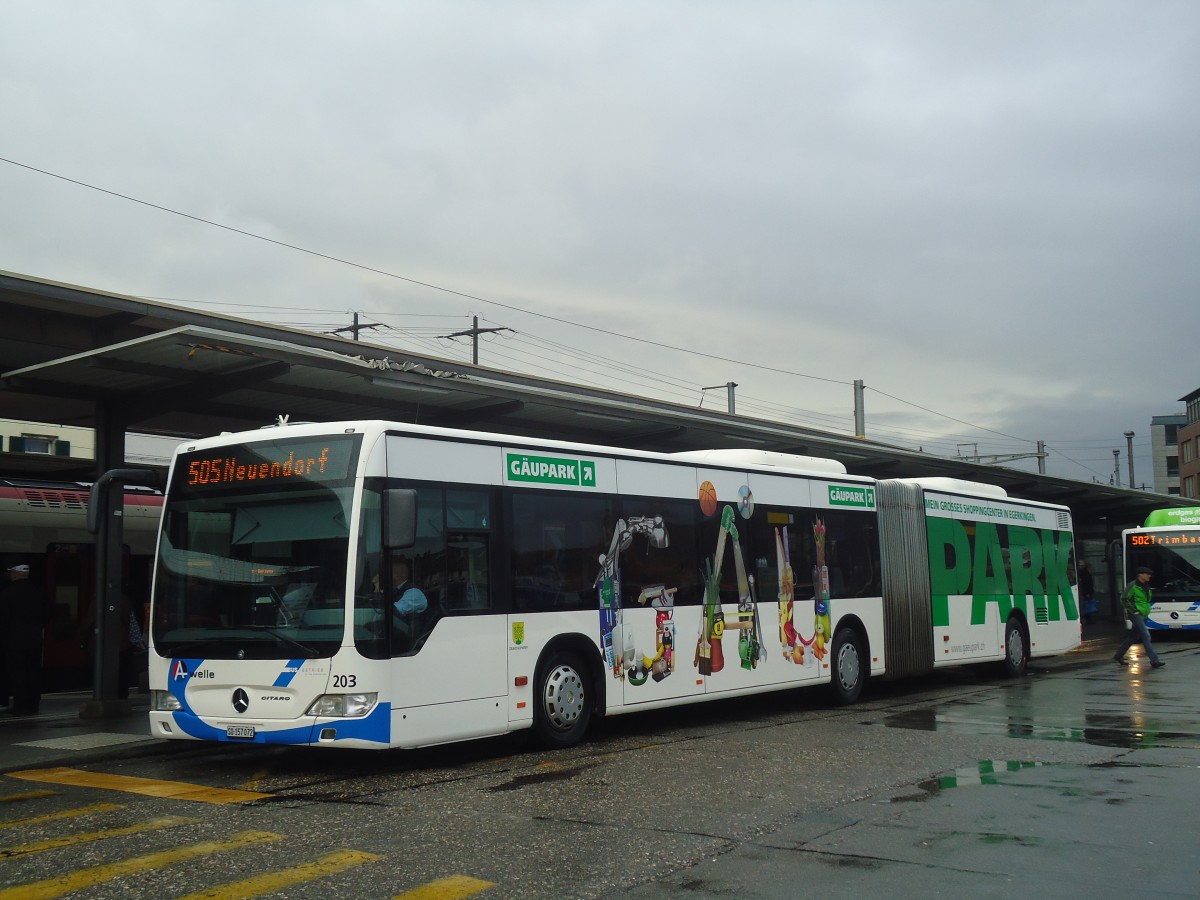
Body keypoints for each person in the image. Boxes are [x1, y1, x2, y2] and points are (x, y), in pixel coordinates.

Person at [2, 564, 51, 715]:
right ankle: (33, 704)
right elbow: (49, 613)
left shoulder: (6, 593)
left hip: (14, 641)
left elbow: (3, 619)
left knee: (18, 674)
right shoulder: (39, 592)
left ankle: (20, 706)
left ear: (15, 574)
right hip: (35, 640)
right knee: (33, 672)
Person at [1113, 566, 1164, 668]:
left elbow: (1145, 601)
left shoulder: (1146, 585)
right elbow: (1123, 599)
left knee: (1133, 637)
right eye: (1147, 574)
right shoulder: (1132, 585)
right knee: (1146, 635)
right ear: (1141, 574)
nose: (1149, 576)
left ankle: (1118, 656)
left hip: (1143, 614)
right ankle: (1154, 660)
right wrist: (1133, 610)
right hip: (1136, 615)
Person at [1077, 560, 1097, 624]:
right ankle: (1088, 619)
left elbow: (1087, 583)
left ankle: (1088, 619)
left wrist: (1087, 592)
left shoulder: (1083, 572)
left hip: (1086, 592)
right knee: (1086, 606)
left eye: (1081, 564)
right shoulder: (1085, 572)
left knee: (1085, 606)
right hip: (1087, 592)